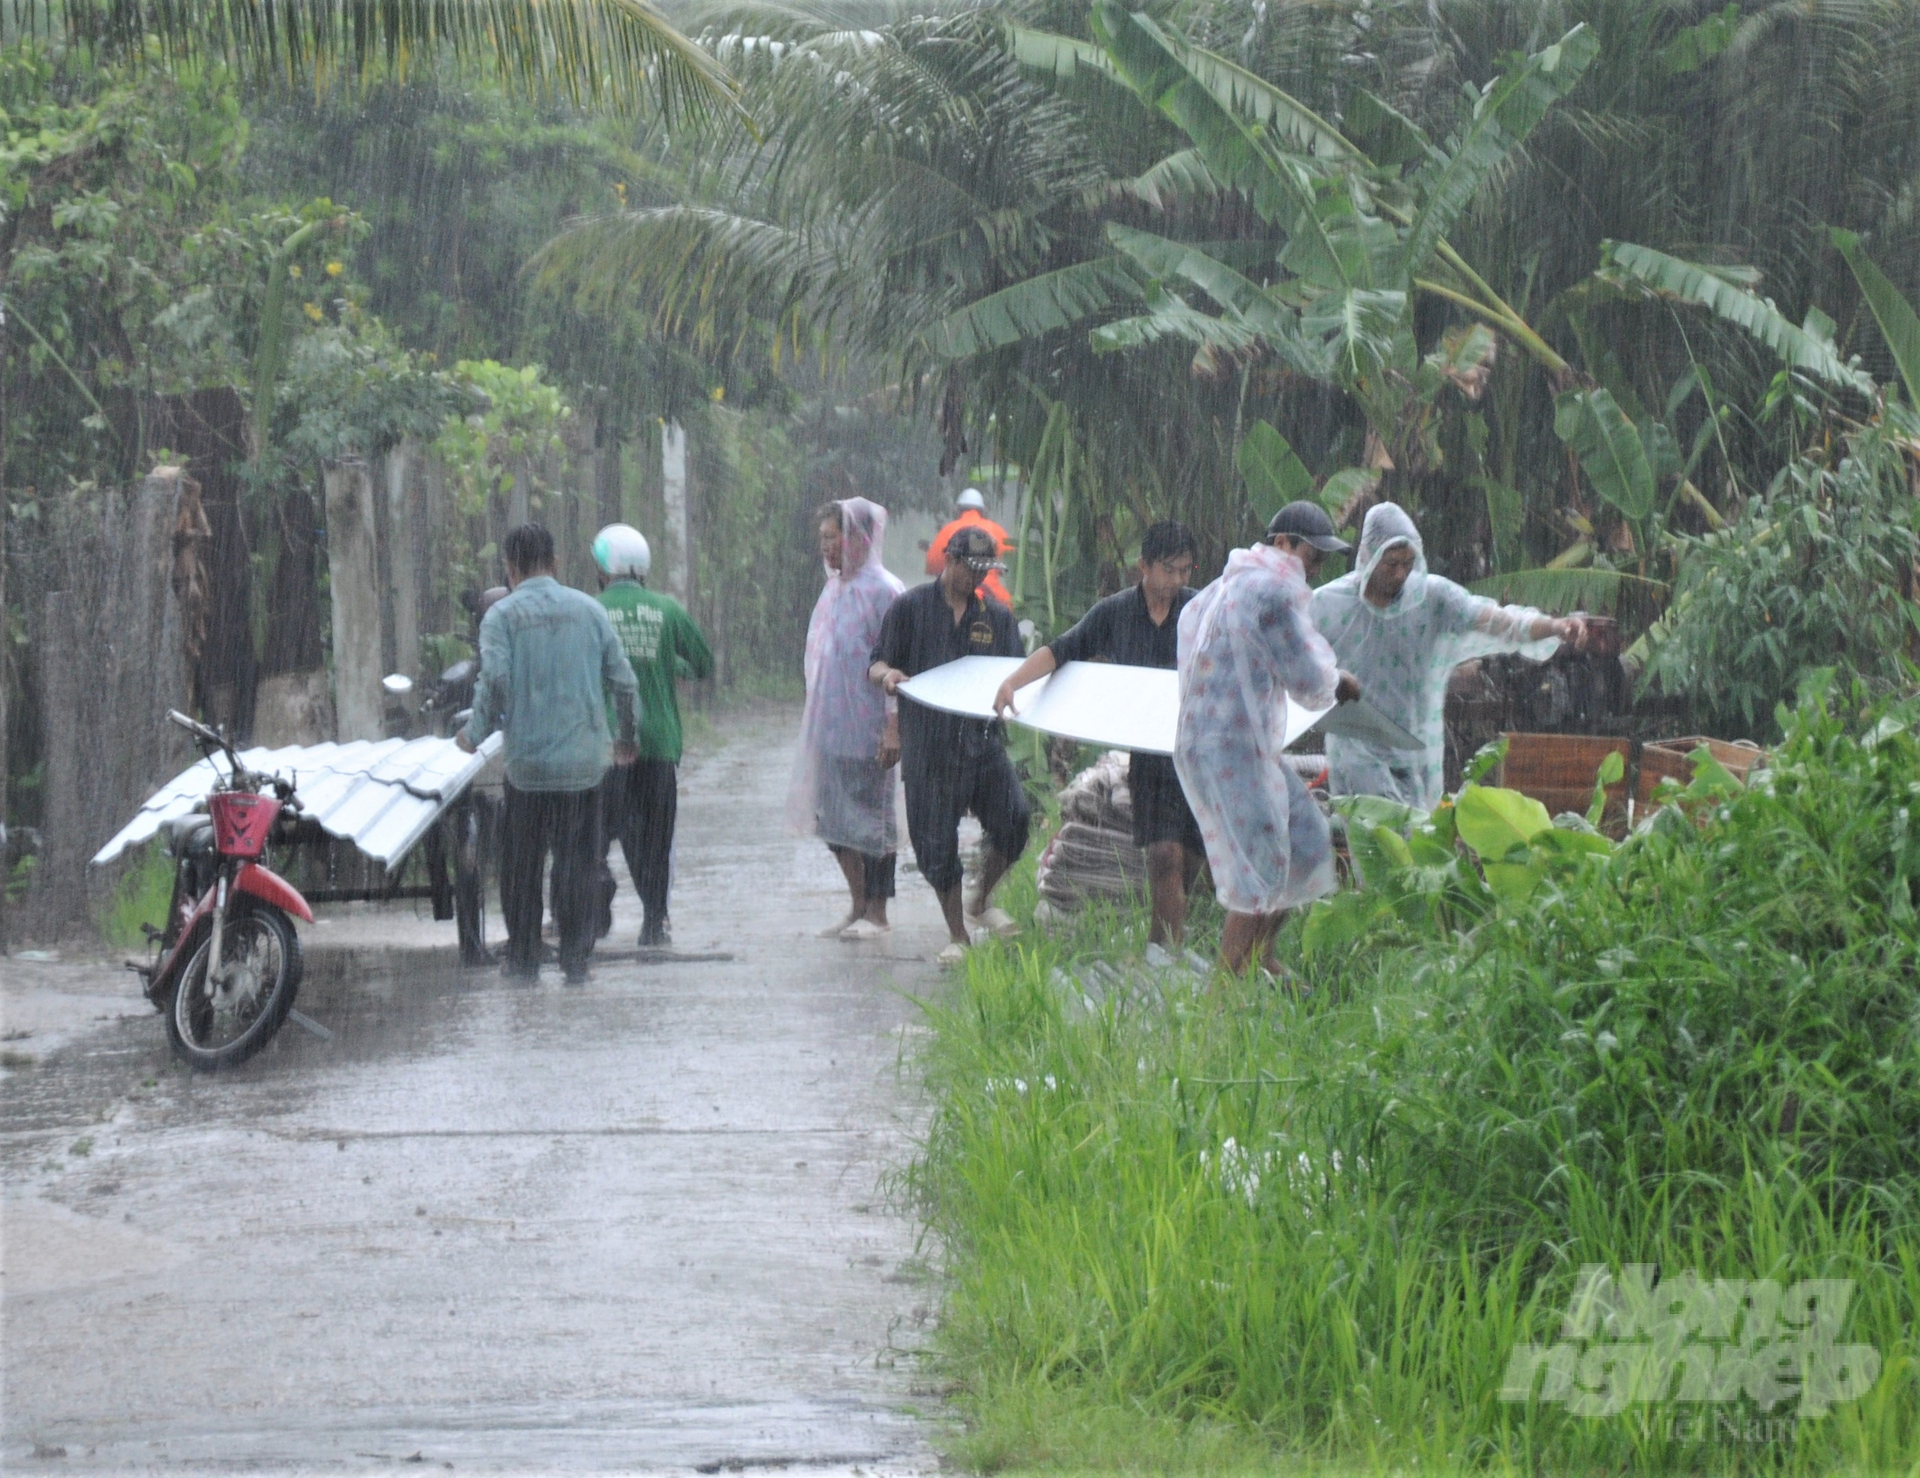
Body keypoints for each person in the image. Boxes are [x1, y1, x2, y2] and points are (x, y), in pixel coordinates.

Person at [991, 520, 1203, 946]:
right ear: (1143, 566)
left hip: (1200, 751)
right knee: (1163, 855)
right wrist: (1014, 682)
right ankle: (1163, 952)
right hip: (1150, 755)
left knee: (1197, 861)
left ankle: (1192, 939)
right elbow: (1062, 649)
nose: (1176, 581)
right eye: (1168, 569)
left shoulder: (1199, 610)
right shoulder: (1116, 612)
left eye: (1185, 571)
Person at [1310, 502, 1587, 811]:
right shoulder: (1329, 605)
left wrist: (1553, 626)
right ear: (1368, 557)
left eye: (1408, 562)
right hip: (1356, 753)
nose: (1401, 573)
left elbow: (1499, 622)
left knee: (1419, 848)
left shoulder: (1433, 599)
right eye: (1391, 564)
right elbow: (1288, 656)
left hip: (1417, 754)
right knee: (1375, 845)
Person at [1175, 529, 1360, 978]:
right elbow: (1310, 680)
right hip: (1237, 751)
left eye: (1320, 561)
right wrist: (1340, 682)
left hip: (1222, 745)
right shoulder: (1273, 589)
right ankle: (1220, 1000)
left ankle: (1259, 958)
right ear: (1283, 542)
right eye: (1311, 555)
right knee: (1258, 873)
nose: (1314, 568)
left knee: (1307, 844)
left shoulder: (1224, 586)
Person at [459, 522, 638, 985]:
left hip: (529, 769)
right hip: (583, 765)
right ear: (555, 564)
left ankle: (523, 960)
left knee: (522, 866)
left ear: (510, 568)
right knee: (578, 863)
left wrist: (474, 733)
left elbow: (494, 679)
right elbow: (624, 681)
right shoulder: (589, 611)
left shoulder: (501, 617)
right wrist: (627, 737)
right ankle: (576, 960)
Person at [871, 525, 1030, 964]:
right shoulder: (909, 609)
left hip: (980, 742)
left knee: (1015, 820)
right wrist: (888, 679)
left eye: (985, 571)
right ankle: (958, 935)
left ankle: (981, 900)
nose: (977, 579)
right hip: (928, 746)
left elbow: (1018, 672)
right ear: (950, 561)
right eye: (970, 569)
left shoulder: (995, 619)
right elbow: (878, 663)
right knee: (936, 844)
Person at [591, 522, 714, 948]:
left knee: (608, 830)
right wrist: (666, 668)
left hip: (608, 747)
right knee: (657, 837)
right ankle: (654, 920)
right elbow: (702, 663)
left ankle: (594, 900)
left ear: (603, 570)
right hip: (660, 743)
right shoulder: (667, 610)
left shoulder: (590, 610)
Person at [789, 499, 907, 939]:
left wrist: (893, 726)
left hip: (871, 729)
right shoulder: (833, 589)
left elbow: (897, 663)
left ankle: (878, 912)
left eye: (832, 538)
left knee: (875, 822)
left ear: (859, 537)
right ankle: (857, 905)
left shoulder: (886, 592)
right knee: (833, 821)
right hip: (831, 728)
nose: (827, 548)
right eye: (821, 539)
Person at [925, 487, 1013, 606]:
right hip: (993, 592)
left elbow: (933, 564)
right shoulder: (996, 530)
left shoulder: (948, 529)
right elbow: (1012, 565)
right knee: (1009, 608)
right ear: (982, 510)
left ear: (959, 509)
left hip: (955, 590)